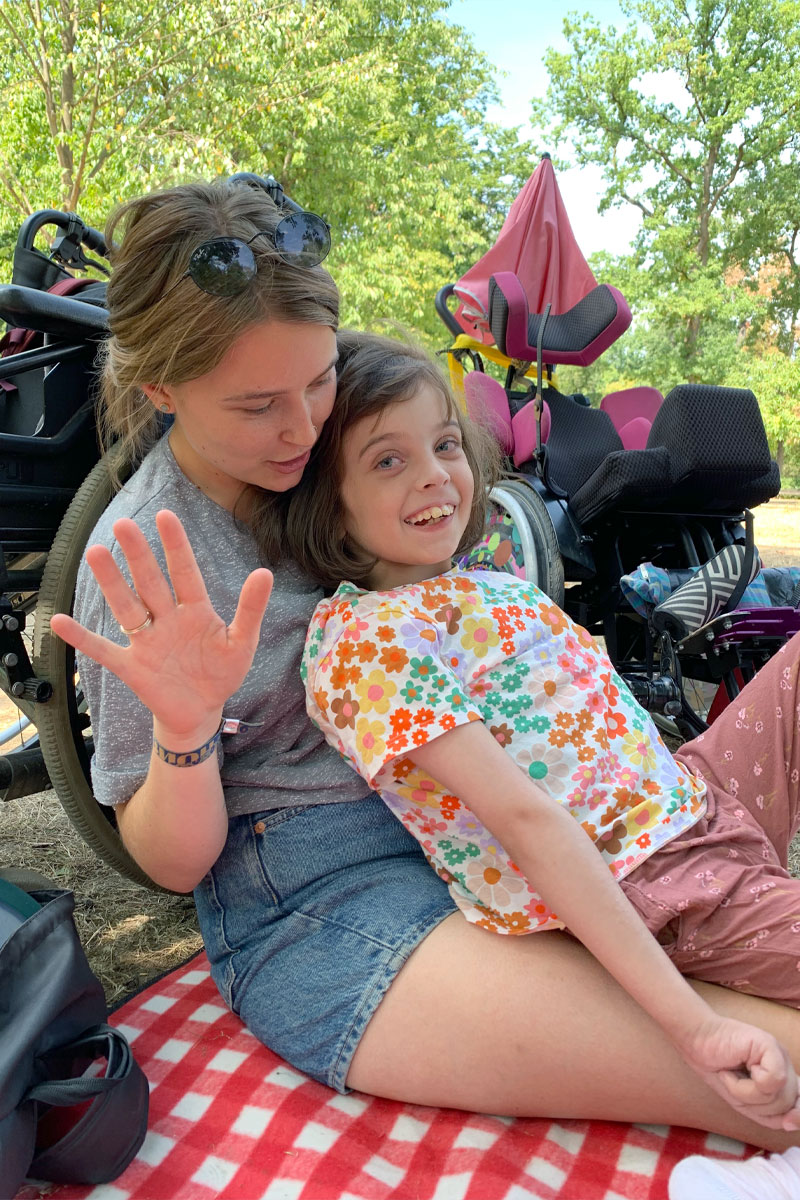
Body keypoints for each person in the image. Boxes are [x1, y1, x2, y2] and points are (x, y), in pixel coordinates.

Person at [50, 180, 800, 1167]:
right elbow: (172, 866)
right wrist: (185, 731)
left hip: (542, 822)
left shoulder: (355, 442)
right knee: (768, 1074)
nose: (302, 427)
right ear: (160, 389)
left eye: (315, 381)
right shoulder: (148, 557)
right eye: (255, 405)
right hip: (337, 888)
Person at [285, 329, 800, 1198]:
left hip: (691, 797)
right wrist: (697, 1031)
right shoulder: (363, 640)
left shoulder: (484, 583)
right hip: (656, 876)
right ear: (328, 506)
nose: (434, 476)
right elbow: (525, 823)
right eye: (387, 461)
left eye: (445, 444)